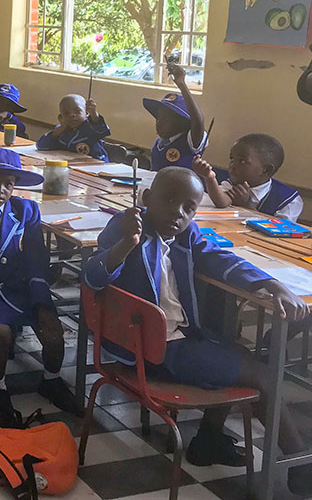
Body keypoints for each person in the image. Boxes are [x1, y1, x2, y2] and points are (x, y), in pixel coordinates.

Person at [84, 167, 312, 489]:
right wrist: (125, 242)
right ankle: (300, 464)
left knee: (237, 353)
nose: (178, 213)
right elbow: (92, 277)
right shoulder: (123, 227)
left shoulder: (184, 233)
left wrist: (271, 284)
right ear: (146, 199)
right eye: (170, 200)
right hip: (151, 350)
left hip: (172, 341)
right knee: (262, 374)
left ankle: (208, 440)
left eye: (189, 207)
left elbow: (217, 258)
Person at [0, 149, 81, 426]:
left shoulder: (25, 210)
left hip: (22, 291)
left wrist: (42, 302)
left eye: (7, 183)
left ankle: (51, 381)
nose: (0, 190)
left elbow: (36, 259)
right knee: (0, 335)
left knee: (54, 331)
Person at [193, 134, 303, 221]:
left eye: (242, 161)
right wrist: (210, 178)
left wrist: (247, 206)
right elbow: (221, 202)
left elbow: (283, 232)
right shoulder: (233, 184)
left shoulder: (289, 200)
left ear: (266, 170)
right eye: (232, 159)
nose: (232, 165)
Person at [143, 61, 207, 170]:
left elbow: (198, 121)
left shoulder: (190, 142)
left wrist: (181, 83)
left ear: (181, 122)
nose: (159, 122)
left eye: (166, 119)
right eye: (158, 117)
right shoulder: (159, 142)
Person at [36, 94, 110, 161]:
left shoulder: (90, 127)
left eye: (77, 111)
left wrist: (94, 115)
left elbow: (102, 130)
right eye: (66, 113)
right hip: (72, 167)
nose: (72, 115)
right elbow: (41, 146)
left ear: (86, 113)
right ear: (61, 117)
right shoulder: (61, 131)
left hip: (97, 166)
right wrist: (60, 129)